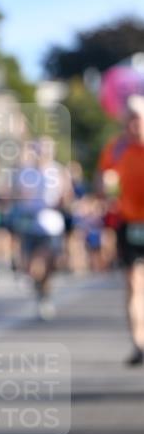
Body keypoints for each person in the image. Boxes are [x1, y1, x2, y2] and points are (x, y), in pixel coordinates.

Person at [97, 95, 144, 366]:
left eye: (137, 119)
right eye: (129, 120)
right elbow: (103, 181)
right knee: (133, 282)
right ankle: (138, 343)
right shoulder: (115, 149)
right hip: (128, 223)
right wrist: (105, 188)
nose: (133, 125)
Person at [9, 137, 73, 320]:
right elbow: (14, 194)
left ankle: (44, 294)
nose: (42, 153)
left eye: (46, 149)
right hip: (29, 224)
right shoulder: (25, 171)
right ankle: (39, 290)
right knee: (33, 264)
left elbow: (67, 197)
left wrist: (64, 201)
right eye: (39, 149)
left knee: (48, 265)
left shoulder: (58, 171)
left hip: (51, 225)